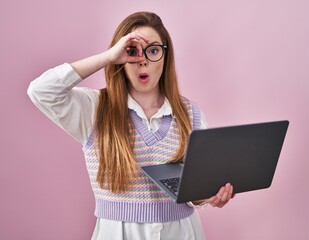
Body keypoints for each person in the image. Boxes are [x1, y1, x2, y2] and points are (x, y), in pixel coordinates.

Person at [28, 11, 234, 240]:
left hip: (182, 232)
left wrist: (209, 197)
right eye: (132, 52)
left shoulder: (191, 114)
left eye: (153, 50)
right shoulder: (94, 108)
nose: (142, 60)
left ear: (166, 56)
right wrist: (107, 57)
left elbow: (196, 190)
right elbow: (41, 91)